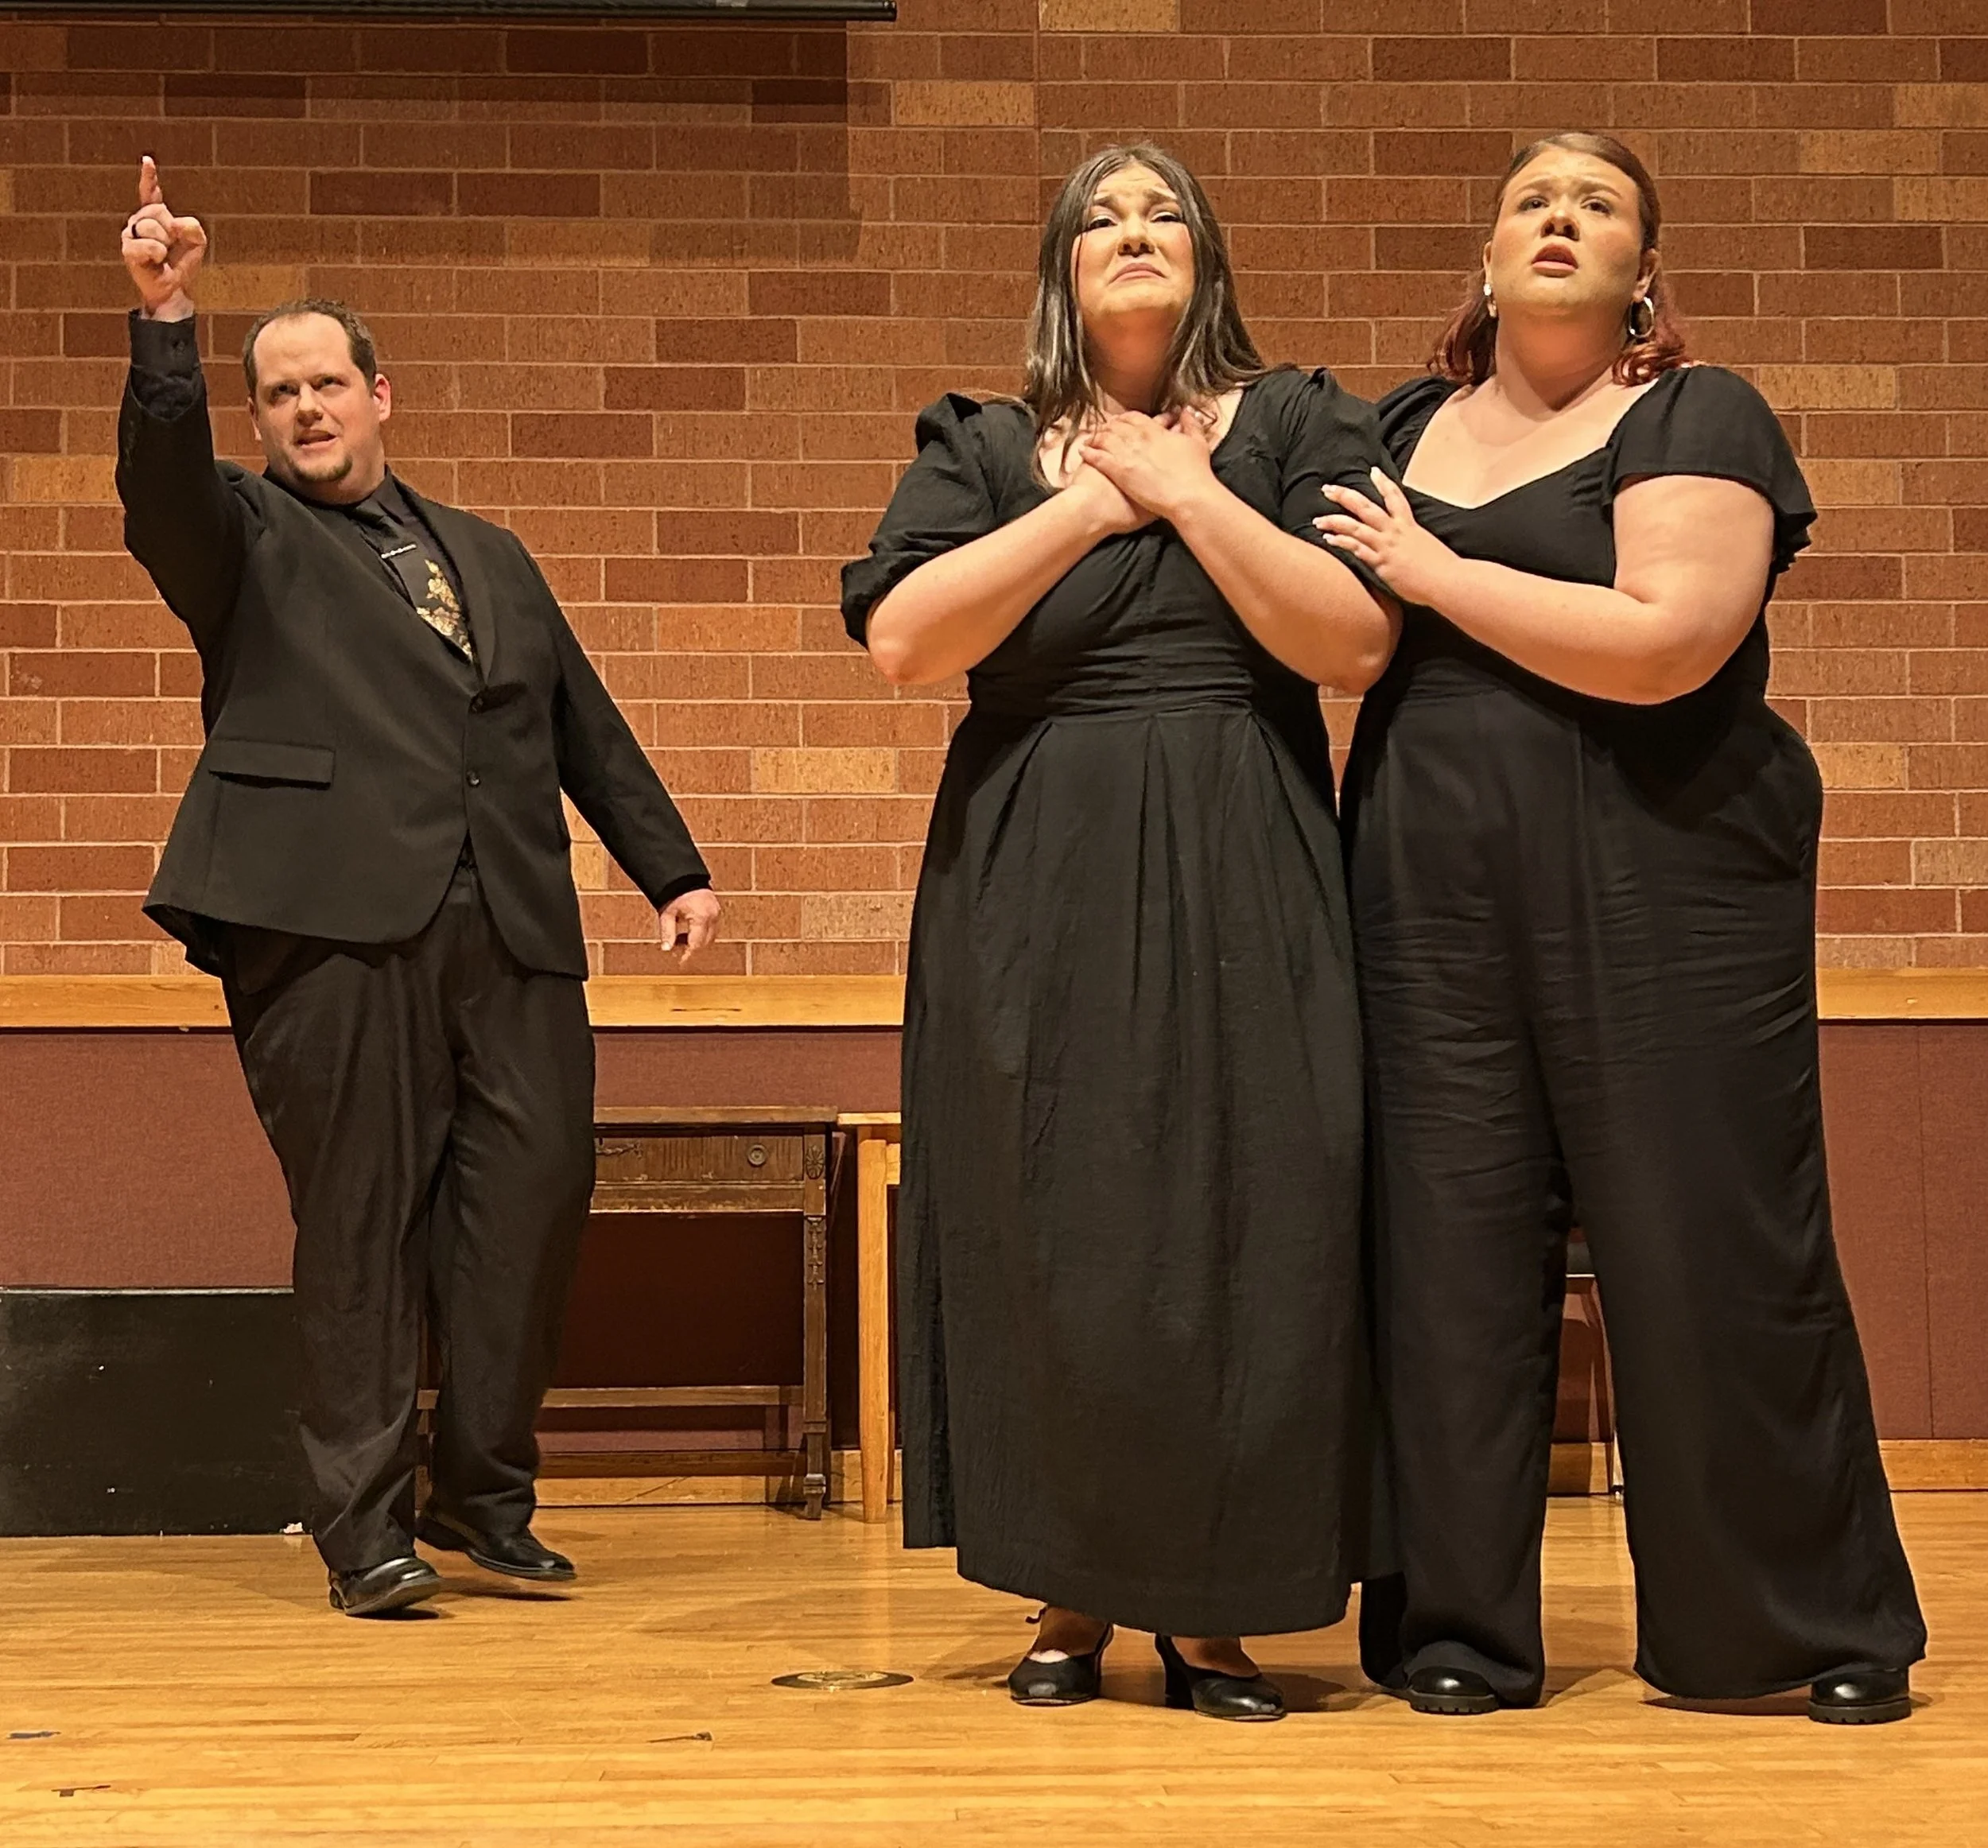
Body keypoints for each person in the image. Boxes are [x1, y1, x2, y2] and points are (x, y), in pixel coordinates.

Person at [1318, 131, 1926, 1723]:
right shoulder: (1396, 433)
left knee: (1702, 1245)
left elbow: (1665, 642)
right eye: (1530, 200)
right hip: (1424, 890)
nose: (1558, 220)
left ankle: (1792, 1631)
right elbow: (1337, 641)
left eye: (1596, 206)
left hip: (1662, 881)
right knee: (1441, 1258)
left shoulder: (1688, 415)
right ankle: (1454, 1628)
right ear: (1487, 255)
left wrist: (1435, 575)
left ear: (1638, 269)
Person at [116, 157, 721, 1617]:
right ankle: (360, 1528)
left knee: (530, 1202)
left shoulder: (493, 557)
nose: (307, 411)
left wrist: (671, 863)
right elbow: (160, 491)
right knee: (364, 1224)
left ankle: (484, 1498)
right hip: (328, 928)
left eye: (329, 385)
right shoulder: (245, 540)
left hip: (510, 926)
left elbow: (579, 718)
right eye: (281, 395)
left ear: (382, 396)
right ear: (259, 417)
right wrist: (168, 324)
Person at [841, 143, 1399, 1720]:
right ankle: (1069, 1586)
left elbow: (1348, 641)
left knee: (1249, 1214)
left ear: (1205, 260)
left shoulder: (1295, 422)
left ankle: (1213, 1611)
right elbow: (903, 639)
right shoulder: (978, 443)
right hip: (1035, 873)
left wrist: (1190, 489)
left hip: (1246, 854)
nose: (1136, 236)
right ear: (1061, 272)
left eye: (1165, 216)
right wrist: (1095, 506)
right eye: (1105, 218)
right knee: (1054, 1224)